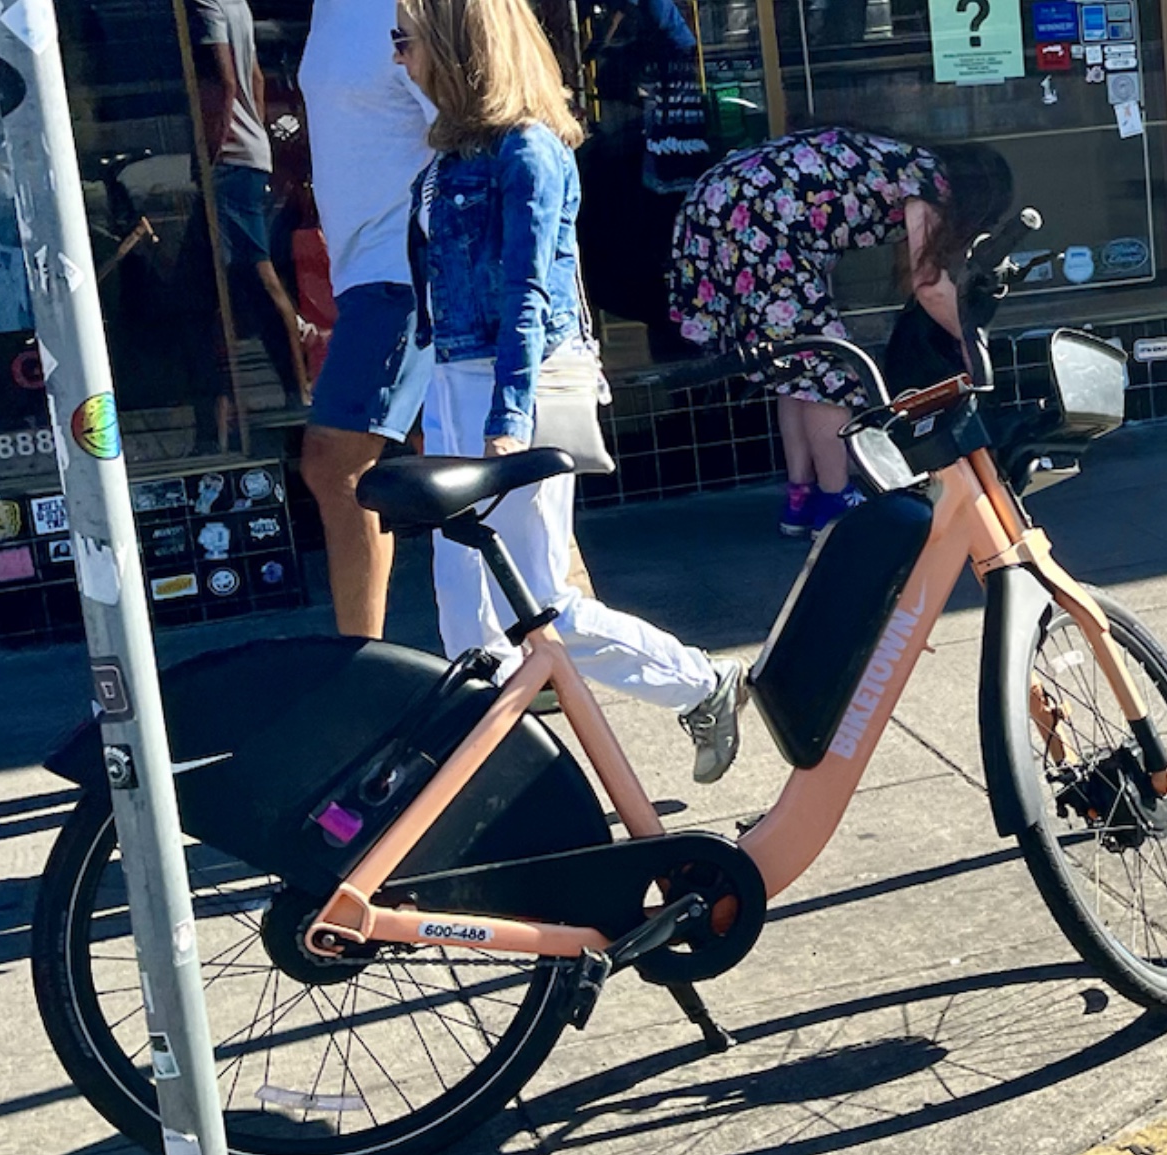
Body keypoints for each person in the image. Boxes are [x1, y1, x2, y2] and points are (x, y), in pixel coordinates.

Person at [394, 0, 745, 784]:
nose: (398, 59)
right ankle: (484, 773)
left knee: (540, 598)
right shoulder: (450, 160)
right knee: (464, 601)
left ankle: (701, 681)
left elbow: (527, 292)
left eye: (405, 41)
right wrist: (432, 406)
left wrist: (506, 418)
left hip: (523, 386)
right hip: (459, 383)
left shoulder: (528, 151)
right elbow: (434, 303)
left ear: (455, 48)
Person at [669, 129, 1012, 535]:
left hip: (723, 205)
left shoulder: (900, 160)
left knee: (795, 365)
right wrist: (969, 341)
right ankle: (836, 501)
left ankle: (801, 498)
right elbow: (929, 286)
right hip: (759, 218)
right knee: (830, 372)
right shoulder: (929, 180)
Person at [296, 0, 438, 638]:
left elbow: (470, 130)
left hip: (402, 272)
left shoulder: (406, 7)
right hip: (364, 273)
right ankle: (558, 641)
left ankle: (360, 665)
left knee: (335, 462)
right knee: (452, 456)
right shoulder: (330, 10)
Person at [190, 0, 309, 406]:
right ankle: (216, 424)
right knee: (207, 290)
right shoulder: (234, 3)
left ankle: (298, 391)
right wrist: (258, 139)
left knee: (254, 275)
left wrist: (212, 152)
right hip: (248, 153)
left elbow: (223, 82)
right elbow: (254, 78)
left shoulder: (202, 5)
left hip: (227, 160)